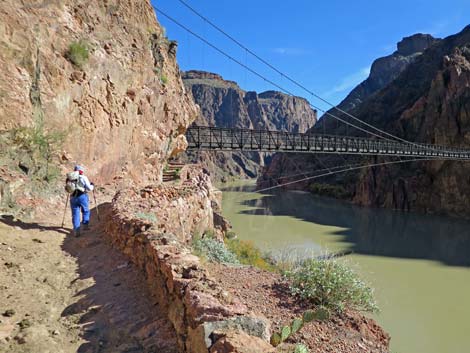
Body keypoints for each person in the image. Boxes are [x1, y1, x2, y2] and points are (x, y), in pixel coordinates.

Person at [65, 165, 94, 237]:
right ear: (81, 171)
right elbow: (89, 188)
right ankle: (85, 226)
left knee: (75, 214)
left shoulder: (70, 178)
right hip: (82, 196)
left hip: (73, 197)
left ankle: (76, 231)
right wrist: (92, 185)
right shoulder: (83, 177)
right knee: (86, 210)